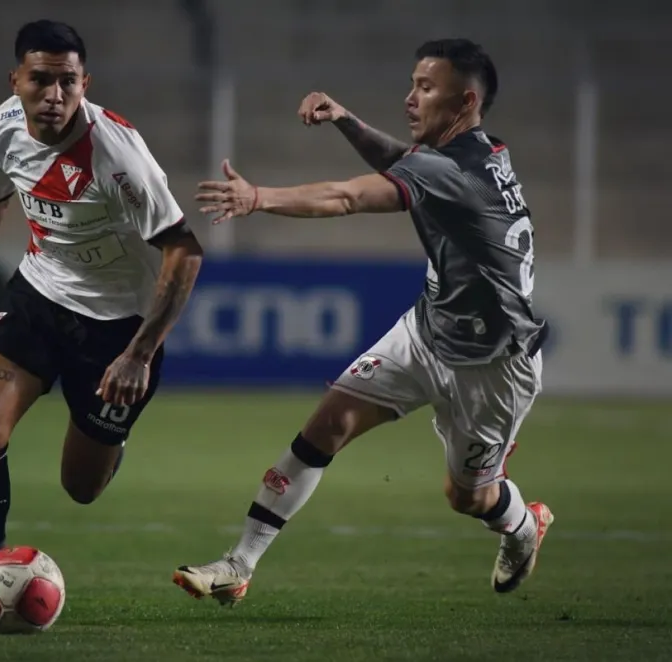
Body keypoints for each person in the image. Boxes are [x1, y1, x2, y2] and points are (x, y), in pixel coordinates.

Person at [172, 38, 552, 606]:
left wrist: (258, 197)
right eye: (413, 84)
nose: (410, 98)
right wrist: (346, 121)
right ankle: (238, 563)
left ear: (466, 101)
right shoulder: (477, 153)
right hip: (426, 333)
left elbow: (348, 197)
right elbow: (407, 162)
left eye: (426, 88)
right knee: (326, 426)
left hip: (493, 367)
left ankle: (523, 524)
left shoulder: (453, 168)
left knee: (469, 497)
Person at [0, 19, 204, 623]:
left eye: (67, 82)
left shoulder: (118, 153)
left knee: (81, 488)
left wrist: (140, 352)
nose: (54, 94)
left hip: (116, 329)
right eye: (41, 80)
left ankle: (111, 442)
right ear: (16, 80)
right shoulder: (1, 129)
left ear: (85, 83)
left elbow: (185, 252)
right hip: (39, 294)